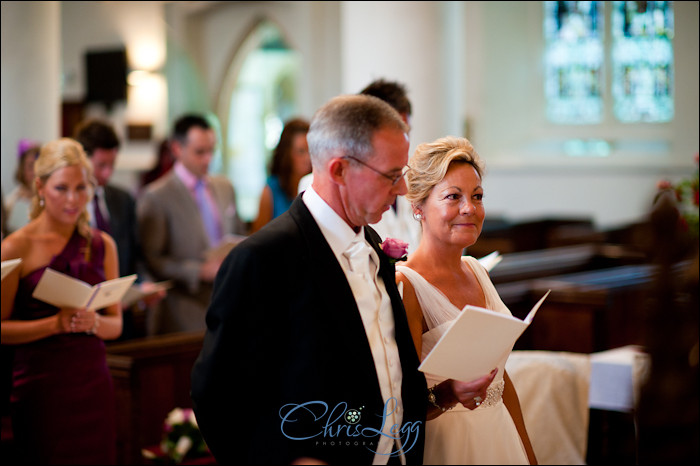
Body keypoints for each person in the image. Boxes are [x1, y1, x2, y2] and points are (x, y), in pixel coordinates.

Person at [193, 94, 477, 465]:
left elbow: (384, 366)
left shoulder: (375, 246)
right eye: (392, 175)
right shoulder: (262, 259)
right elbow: (217, 397)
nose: (402, 190)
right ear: (340, 170)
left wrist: (443, 395)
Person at [395, 136, 538, 464]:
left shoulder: (476, 269)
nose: (469, 209)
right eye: (452, 197)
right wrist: (447, 395)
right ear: (418, 207)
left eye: (477, 196)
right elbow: (404, 402)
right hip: (449, 442)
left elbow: (500, 378)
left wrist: (527, 453)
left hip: (498, 435)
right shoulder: (407, 284)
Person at [1, 138, 122, 464]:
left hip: (93, 382)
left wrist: (93, 322)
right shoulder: (15, 247)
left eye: (81, 188)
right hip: (40, 387)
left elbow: (116, 325)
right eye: (61, 188)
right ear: (39, 187)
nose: (73, 199)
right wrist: (55, 324)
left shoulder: (102, 245)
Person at [137, 114, 247, 334]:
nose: (208, 159)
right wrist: (199, 271)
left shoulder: (225, 187)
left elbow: (238, 232)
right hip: (184, 309)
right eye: (200, 152)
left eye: (211, 151)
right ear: (177, 148)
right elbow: (152, 260)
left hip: (229, 300)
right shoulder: (157, 196)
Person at [298, 79, 421, 254]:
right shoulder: (318, 187)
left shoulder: (406, 180)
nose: (402, 140)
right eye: (392, 131)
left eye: (405, 131)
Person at [73, 118, 164, 340]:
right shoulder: (69, 205)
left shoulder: (122, 200)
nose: (107, 173)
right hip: (80, 318)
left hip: (122, 318)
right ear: (82, 160)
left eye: (112, 165)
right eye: (101, 165)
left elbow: (135, 254)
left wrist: (143, 284)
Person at [250, 117, 310, 233]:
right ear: (287, 154)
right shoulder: (270, 191)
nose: (308, 158)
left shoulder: (316, 187)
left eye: (311, 151)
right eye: (301, 151)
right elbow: (257, 241)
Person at [5, 139, 40, 234]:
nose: (36, 171)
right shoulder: (11, 203)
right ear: (22, 169)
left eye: (39, 166)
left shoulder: (49, 198)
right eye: (31, 166)